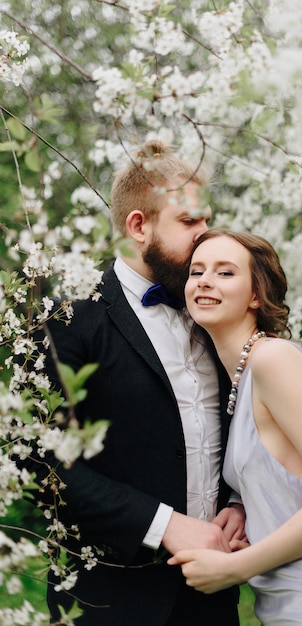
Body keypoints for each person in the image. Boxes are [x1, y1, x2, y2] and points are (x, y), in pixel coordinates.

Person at [26, 144, 245, 625]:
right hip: (112, 598)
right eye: (190, 223)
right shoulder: (68, 320)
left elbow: (242, 419)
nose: (206, 237)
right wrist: (164, 525)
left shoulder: (212, 307)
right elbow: (40, 463)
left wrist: (237, 501)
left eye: (207, 221)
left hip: (213, 590)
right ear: (139, 226)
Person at [168, 229, 302, 625]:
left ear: (256, 295)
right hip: (285, 608)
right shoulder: (242, 376)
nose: (204, 280)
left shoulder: (275, 361)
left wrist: (236, 569)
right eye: (196, 271)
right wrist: (240, 507)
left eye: (225, 273)